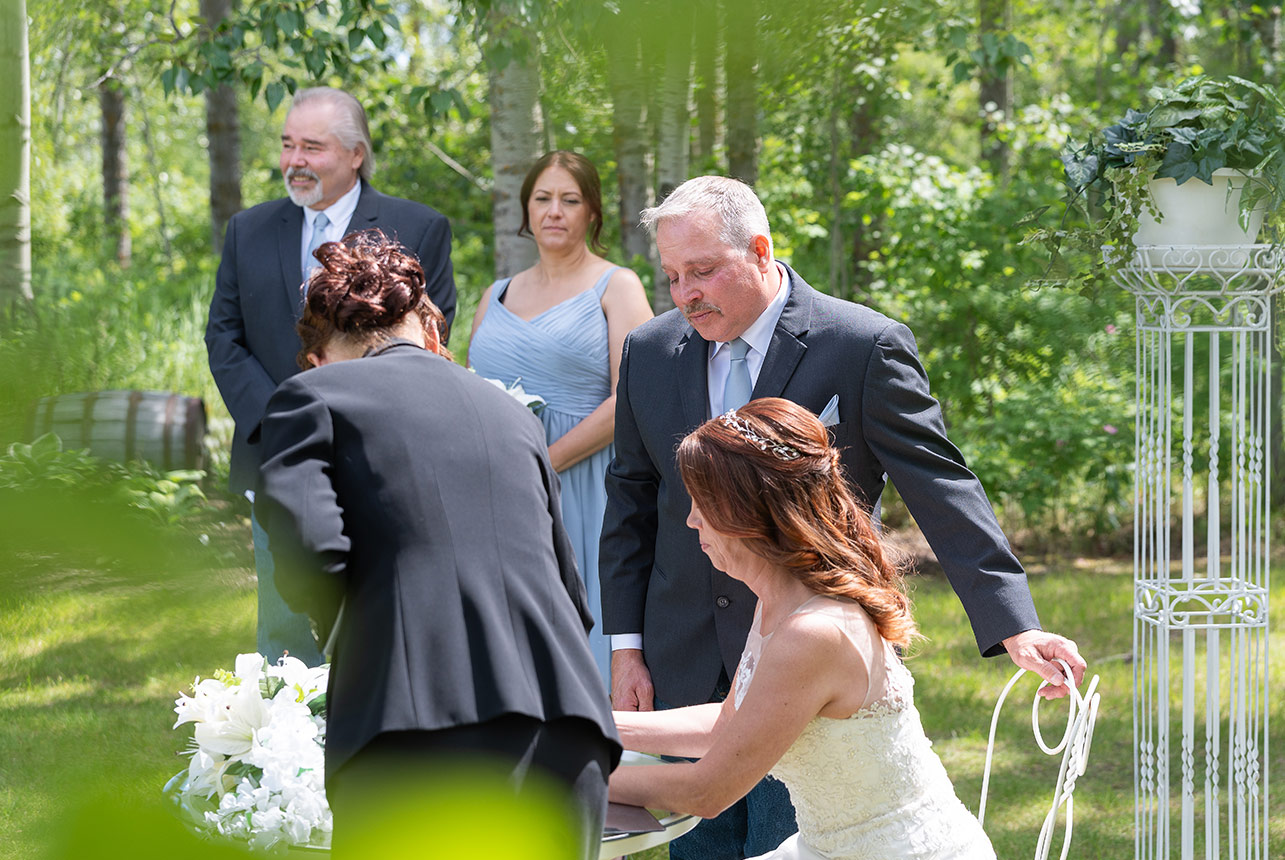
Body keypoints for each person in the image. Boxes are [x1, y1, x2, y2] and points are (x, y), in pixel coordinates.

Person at [599, 175, 1085, 859]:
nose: (684, 295)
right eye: (672, 276)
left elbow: (940, 485)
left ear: (760, 250)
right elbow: (629, 503)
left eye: (702, 272)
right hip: (683, 646)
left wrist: (1016, 623)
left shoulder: (859, 344)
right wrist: (626, 650)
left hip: (815, 648)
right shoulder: (649, 351)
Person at [253, 231, 619, 860]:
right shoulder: (511, 415)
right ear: (421, 326)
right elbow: (569, 587)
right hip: (567, 729)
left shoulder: (309, 399)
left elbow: (311, 551)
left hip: (413, 730)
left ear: (318, 356)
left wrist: (360, 644)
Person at [610, 398, 997, 859]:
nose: (691, 519)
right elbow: (726, 725)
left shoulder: (814, 632)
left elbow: (706, 791)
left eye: (701, 502)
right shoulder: (780, 599)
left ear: (749, 512)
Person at [205, 86, 456, 667]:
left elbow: (425, 338)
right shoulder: (249, 229)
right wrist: (285, 422)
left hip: (386, 453)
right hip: (278, 457)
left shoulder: (416, 227)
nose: (294, 160)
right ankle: (283, 755)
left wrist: (352, 418)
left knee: (388, 625)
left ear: (355, 154)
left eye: (312, 147)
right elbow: (224, 336)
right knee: (285, 630)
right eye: (288, 145)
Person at [469, 151, 652, 682]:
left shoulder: (617, 286)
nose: (554, 211)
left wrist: (545, 461)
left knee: (579, 614)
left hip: (581, 479)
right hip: (498, 484)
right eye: (542, 199)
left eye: (569, 200)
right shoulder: (496, 294)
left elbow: (632, 398)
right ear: (525, 211)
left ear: (592, 213)